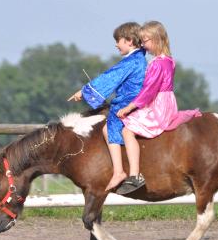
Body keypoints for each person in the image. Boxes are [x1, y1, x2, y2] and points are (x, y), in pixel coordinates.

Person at [114, 21, 202, 195]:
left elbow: (148, 92)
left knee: (127, 131)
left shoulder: (156, 64)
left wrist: (129, 107)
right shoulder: (170, 61)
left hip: (157, 106)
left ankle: (134, 175)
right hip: (168, 103)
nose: (143, 45)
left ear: (155, 40)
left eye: (145, 41)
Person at [68, 22, 147, 191]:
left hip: (128, 102)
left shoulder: (131, 62)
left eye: (118, 40)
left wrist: (84, 91)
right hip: (133, 99)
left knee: (110, 126)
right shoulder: (138, 58)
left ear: (130, 41)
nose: (116, 44)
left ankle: (119, 172)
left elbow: (110, 77)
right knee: (105, 129)